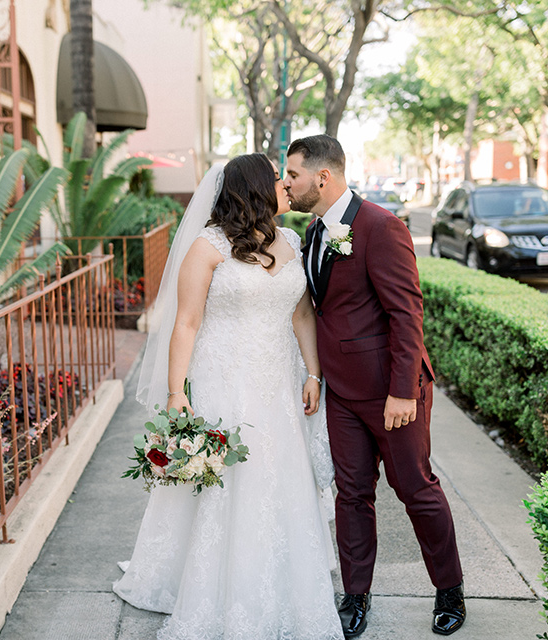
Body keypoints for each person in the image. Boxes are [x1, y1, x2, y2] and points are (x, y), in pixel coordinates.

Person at [114, 153, 343, 640]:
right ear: (253, 189)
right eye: (276, 179)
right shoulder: (207, 246)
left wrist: (314, 373)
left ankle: (278, 570)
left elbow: (302, 315)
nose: (285, 185)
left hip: (278, 380)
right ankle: (206, 578)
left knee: (277, 477)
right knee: (228, 478)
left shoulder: (291, 241)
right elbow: (187, 323)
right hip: (225, 379)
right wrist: (177, 393)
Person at [284, 135, 466, 637]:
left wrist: (404, 390)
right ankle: (356, 596)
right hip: (341, 393)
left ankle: (449, 589)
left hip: (394, 391)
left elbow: (407, 314)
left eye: (293, 174)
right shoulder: (315, 233)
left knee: (415, 489)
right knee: (352, 494)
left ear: (323, 178)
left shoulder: (381, 226)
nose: (287, 184)